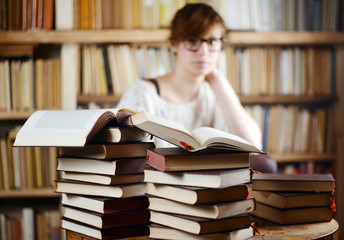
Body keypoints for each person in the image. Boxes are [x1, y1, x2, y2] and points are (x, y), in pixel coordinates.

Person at [116, 3, 277, 173]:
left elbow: (254, 148)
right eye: (192, 41)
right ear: (173, 44)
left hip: (207, 186)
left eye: (212, 42)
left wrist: (216, 79)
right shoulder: (143, 92)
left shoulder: (214, 93)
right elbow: (127, 160)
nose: (204, 51)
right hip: (157, 187)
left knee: (266, 165)